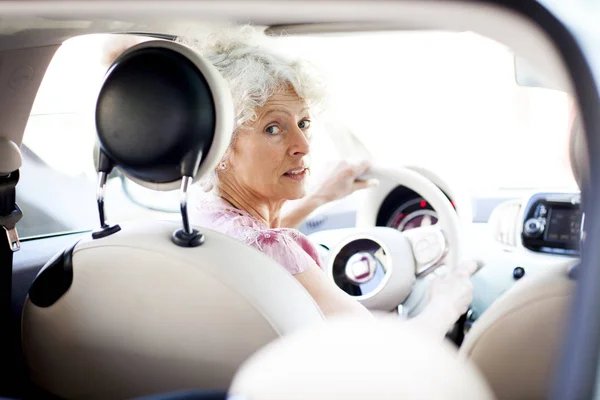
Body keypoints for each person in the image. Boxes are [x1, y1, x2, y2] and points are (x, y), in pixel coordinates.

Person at [101, 29, 476, 337]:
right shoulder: (276, 251)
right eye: (274, 128)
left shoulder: (202, 226)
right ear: (221, 147)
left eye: (305, 122)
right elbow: (381, 358)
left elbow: (254, 243)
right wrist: (446, 305)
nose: (302, 144)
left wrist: (319, 198)